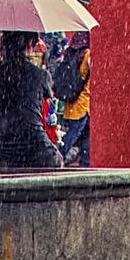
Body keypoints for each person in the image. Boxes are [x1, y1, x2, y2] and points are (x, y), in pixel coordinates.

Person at [0, 31, 63, 170]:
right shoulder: (41, 75)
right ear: (30, 44)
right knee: (58, 160)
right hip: (38, 150)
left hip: (1, 151)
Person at [59, 31, 90, 166]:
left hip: (72, 101)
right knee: (72, 137)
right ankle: (57, 157)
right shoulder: (87, 54)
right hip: (83, 102)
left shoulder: (72, 52)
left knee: (85, 136)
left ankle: (85, 164)